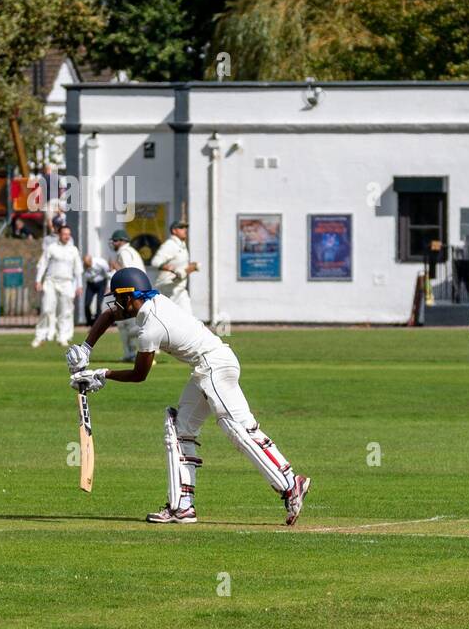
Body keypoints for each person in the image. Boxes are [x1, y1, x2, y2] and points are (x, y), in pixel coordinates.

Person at [64, 267, 309, 525]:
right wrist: (86, 348)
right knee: (180, 430)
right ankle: (182, 507)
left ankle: (290, 483)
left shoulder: (151, 327)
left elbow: (140, 375)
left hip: (214, 366)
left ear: (129, 297)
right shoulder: (153, 301)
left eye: (118, 298)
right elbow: (110, 314)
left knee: (238, 429)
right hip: (207, 367)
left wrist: (101, 375)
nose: (116, 304)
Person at [32, 225, 83, 348]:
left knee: (66, 311)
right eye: (64, 234)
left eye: (68, 234)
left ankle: (63, 337)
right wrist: (38, 280)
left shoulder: (73, 250)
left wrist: (79, 285)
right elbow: (42, 265)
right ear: (59, 235)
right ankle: (40, 336)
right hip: (51, 282)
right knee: (46, 308)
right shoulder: (51, 248)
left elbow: (78, 270)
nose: (67, 236)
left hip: (67, 283)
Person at [109, 230, 145, 361]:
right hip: (137, 292)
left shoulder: (123, 253)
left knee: (128, 325)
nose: (113, 243)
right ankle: (130, 354)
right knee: (126, 324)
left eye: (114, 240)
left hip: (132, 294)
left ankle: (142, 350)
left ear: (121, 241)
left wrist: (115, 267)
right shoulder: (132, 251)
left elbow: (129, 273)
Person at [151, 219, 198, 314]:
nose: (185, 230)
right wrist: (170, 268)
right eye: (181, 227)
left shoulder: (181, 245)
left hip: (177, 289)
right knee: (183, 319)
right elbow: (155, 262)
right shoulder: (170, 245)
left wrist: (191, 267)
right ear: (174, 231)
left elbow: (180, 265)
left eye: (185, 227)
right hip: (167, 289)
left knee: (185, 319)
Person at [82, 253, 111, 325]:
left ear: (91, 260)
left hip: (101, 283)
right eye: (86, 265)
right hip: (90, 284)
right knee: (87, 304)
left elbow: (108, 274)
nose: (87, 266)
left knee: (99, 304)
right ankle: (89, 322)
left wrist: (108, 286)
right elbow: (83, 275)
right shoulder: (83, 265)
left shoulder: (101, 263)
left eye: (88, 264)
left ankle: (97, 322)